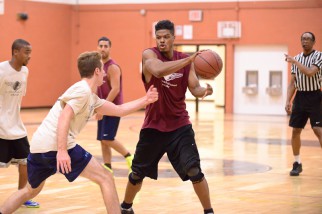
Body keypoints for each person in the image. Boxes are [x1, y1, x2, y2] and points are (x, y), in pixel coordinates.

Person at [0, 51, 158, 214]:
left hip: (40, 146)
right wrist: (61, 151)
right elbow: (64, 117)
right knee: (105, 177)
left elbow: (119, 110)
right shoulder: (82, 91)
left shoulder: (90, 97)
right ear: (96, 71)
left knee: (29, 191)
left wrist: (146, 100)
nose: (104, 73)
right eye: (102, 69)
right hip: (57, 146)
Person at [120, 20, 214, 214]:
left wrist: (205, 90)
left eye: (166, 37)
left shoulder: (185, 61)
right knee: (137, 174)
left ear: (173, 38)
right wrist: (188, 60)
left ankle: (209, 211)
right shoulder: (149, 55)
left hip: (180, 126)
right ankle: (126, 207)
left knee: (194, 170)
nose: (162, 41)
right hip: (153, 127)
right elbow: (158, 70)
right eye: (159, 37)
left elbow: (194, 88)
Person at [0, 39, 40, 208]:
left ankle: (21, 197)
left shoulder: (25, 71)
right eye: (26, 52)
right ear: (15, 52)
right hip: (0, 128)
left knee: (25, 162)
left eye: (30, 52)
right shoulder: (1, 70)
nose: (29, 56)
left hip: (17, 127)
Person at [285, 31, 322, 176]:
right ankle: (297, 163)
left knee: (318, 130)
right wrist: (288, 100)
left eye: (308, 39)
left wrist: (294, 61)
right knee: (295, 130)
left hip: (315, 96)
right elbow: (293, 83)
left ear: (313, 42)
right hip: (300, 97)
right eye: (303, 39)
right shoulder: (297, 58)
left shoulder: (318, 56)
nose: (305, 41)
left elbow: (310, 72)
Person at [96, 36, 133, 173]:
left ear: (110, 48)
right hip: (103, 106)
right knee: (102, 139)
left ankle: (129, 157)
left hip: (113, 108)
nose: (103, 48)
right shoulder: (99, 66)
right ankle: (108, 167)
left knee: (108, 138)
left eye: (106, 46)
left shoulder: (113, 67)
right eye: (101, 46)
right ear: (97, 47)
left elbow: (115, 89)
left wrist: (103, 107)